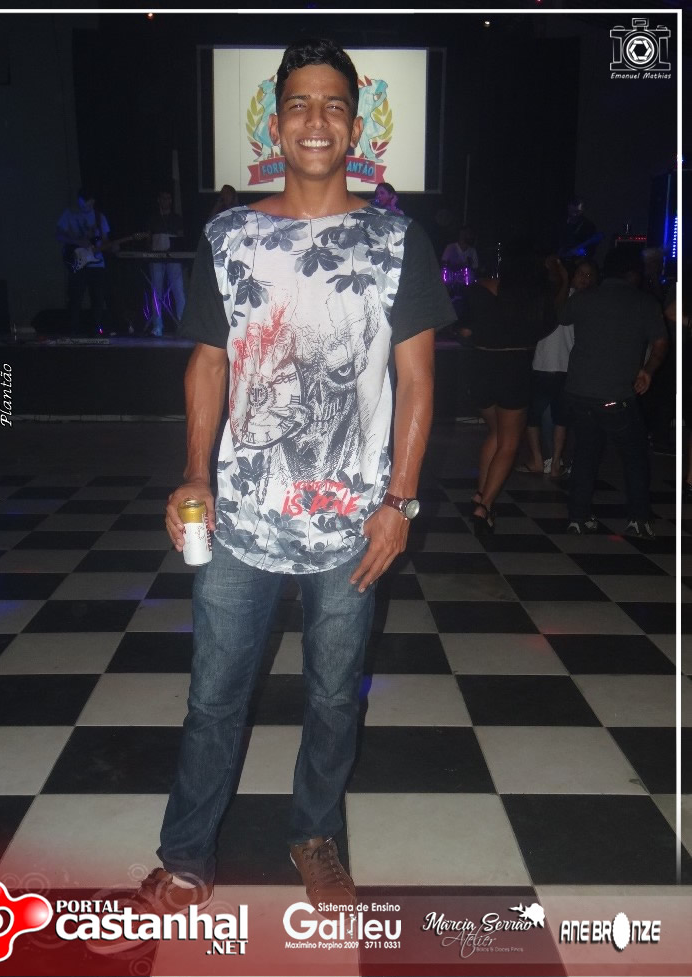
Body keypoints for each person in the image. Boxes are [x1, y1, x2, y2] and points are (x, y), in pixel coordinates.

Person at [90, 38, 451, 951]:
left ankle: (314, 835)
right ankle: (186, 858)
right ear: (275, 123)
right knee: (214, 696)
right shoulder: (228, 237)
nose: (315, 120)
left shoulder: (395, 241)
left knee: (332, 696)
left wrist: (400, 501)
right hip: (243, 520)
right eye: (298, 103)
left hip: (351, 523)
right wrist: (193, 472)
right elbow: (208, 362)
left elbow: (416, 381)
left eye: (332, 105)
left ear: (355, 127)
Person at [562, 245, 668, 537]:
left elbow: (561, 316)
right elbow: (661, 343)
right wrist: (648, 370)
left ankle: (578, 517)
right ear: (633, 273)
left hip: (579, 392)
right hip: (616, 395)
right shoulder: (644, 302)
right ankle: (638, 517)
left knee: (585, 452)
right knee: (634, 455)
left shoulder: (584, 298)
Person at [459, 241, 564, 533]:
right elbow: (551, 320)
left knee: (495, 433)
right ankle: (484, 506)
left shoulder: (480, 288)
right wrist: (561, 276)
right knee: (509, 442)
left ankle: (480, 494)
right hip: (513, 370)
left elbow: (464, 328)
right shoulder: (534, 299)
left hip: (481, 369)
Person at [522, 259, 599, 478]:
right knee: (538, 417)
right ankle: (544, 461)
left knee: (557, 417)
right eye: (581, 274)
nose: (585, 279)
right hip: (544, 365)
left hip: (564, 368)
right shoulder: (555, 297)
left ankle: (552, 462)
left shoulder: (586, 302)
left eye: (589, 275)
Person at [55, 188, 110, 336]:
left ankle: (97, 330)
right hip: (77, 263)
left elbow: (105, 239)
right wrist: (78, 242)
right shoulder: (69, 214)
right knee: (75, 298)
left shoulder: (99, 217)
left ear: (93, 202)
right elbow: (59, 235)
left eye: (88, 204)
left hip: (97, 264)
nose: (85, 206)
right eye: (82, 203)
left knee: (98, 298)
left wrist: (110, 246)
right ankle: (73, 330)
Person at [148, 188, 186, 337]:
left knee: (178, 290)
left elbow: (181, 238)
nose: (167, 201)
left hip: (173, 257)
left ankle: (182, 325)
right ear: (159, 200)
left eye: (169, 198)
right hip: (156, 257)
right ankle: (157, 326)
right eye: (164, 198)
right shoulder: (153, 218)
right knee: (156, 292)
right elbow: (148, 238)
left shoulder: (176, 218)